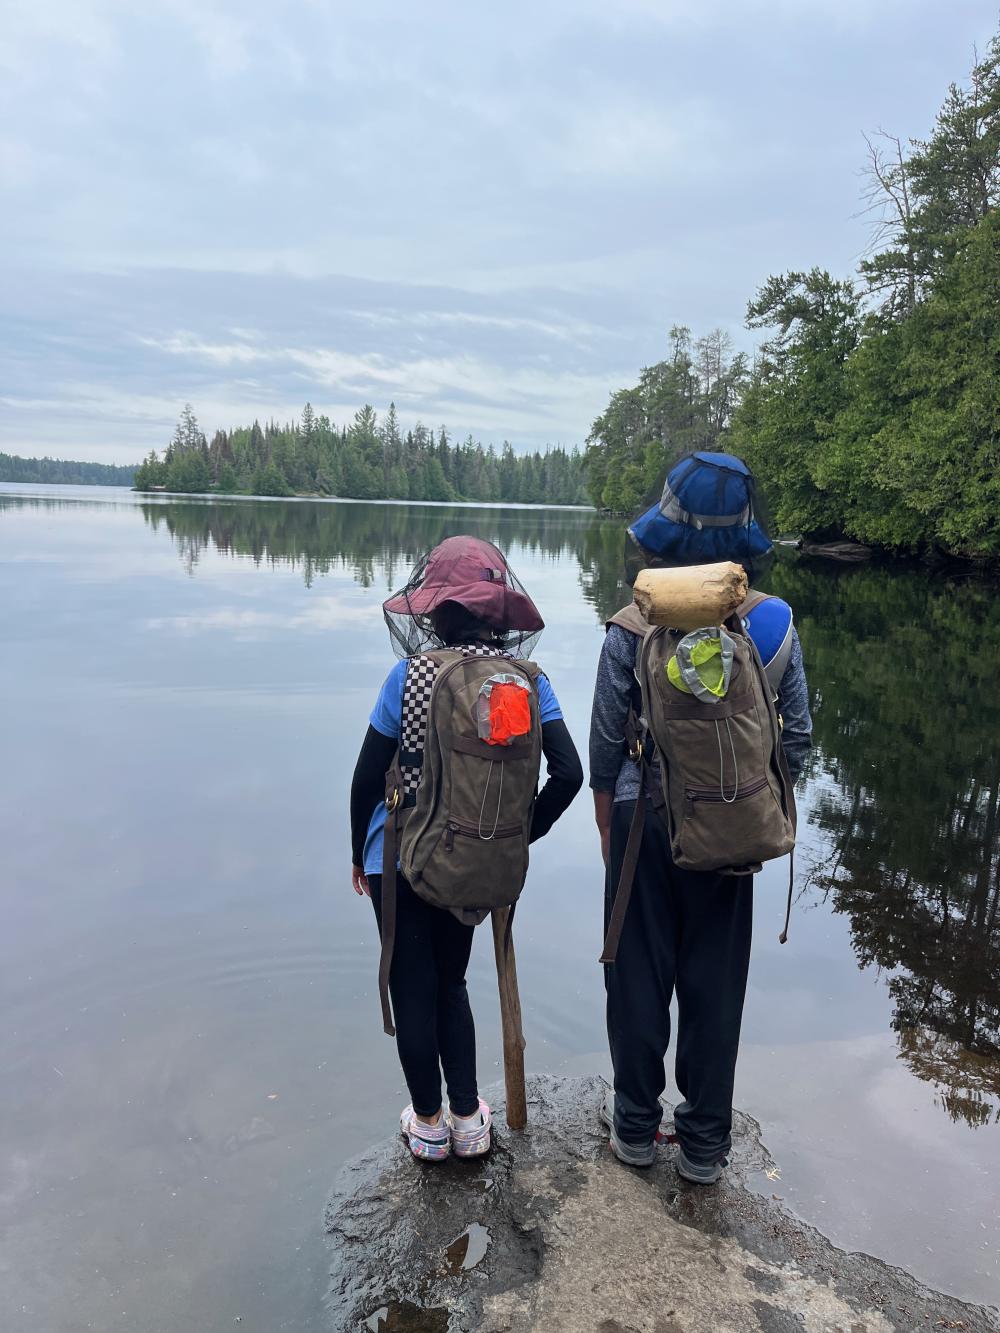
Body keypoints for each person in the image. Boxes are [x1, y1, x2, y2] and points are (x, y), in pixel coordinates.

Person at [589, 452, 812, 1182]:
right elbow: (798, 741)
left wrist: (612, 838)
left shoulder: (628, 625)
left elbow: (601, 753)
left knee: (637, 975)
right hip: (732, 825)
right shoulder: (772, 626)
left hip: (641, 821)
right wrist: (742, 800)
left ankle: (633, 1129)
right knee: (715, 984)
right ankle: (705, 1148)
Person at [350, 535, 582, 1162]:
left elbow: (368, 776)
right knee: (452, 983)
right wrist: (514, 834)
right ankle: (470, 1119)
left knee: (410, 984)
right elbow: (569, 774)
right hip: (473, 858)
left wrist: (356, 852)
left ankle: (428, 1124)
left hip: (399, 858)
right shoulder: (529, 681)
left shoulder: (412, 675)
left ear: (436, 610)